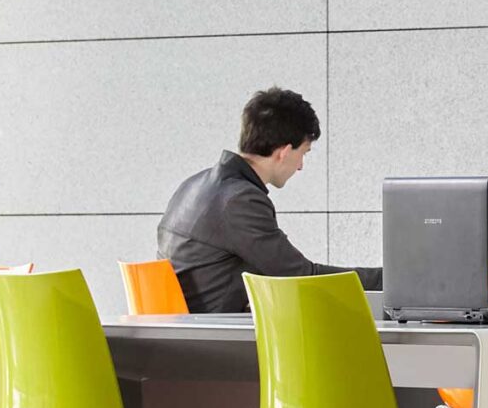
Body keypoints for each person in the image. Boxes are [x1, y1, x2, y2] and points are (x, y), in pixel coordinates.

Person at [158, 86, 380, 314]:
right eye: (303, 153)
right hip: (213, 340)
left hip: (181, 334)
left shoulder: (195, 185)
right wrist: (392, 279)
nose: (301, 166)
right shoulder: (239, 201)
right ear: (284, 152)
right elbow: (300, 276)